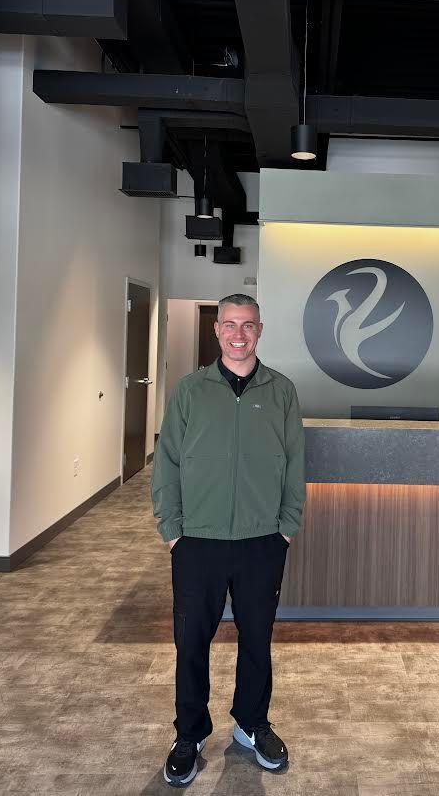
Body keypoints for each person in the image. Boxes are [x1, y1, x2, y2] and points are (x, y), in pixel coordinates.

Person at [151, 293, 306, 787]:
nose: (239, 335)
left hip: (262, 540)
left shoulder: (281, 391)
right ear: (216, 331)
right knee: (191, 640)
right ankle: (189, 734)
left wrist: (287, 526)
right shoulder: (191, 391)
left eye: (248, 326)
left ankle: (252, 725)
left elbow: (296, 464)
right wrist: (172, 531)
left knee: (257, 639)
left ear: (260, 330)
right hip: (198, 539)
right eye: (230, 326)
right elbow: (168, 462)